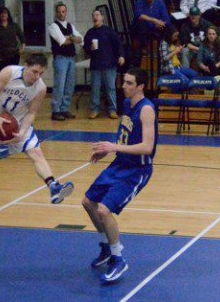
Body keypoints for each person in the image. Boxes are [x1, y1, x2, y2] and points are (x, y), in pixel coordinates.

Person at [0, 53, 74, 216]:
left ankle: (53, 186)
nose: (37, 76)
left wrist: (22, 132)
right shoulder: (10, 72)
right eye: (34, 71)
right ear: (25, 65)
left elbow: (32, 113)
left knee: (36, 153)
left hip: (17, 121)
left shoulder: (40, 88)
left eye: (41, 73)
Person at [82, 68, 157, 284]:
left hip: (137, 171)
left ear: (140, 87)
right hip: (120, 164)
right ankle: (106, 246)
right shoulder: (126, 104)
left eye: (129, 83)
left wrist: (114, 146)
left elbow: (147, 147)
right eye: (124, 81)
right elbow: (124, 135)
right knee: (88, 202)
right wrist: (108, 150)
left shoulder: (146, 110)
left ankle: (118, 258)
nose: (123, 85)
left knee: (104, 210)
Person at [83, 9, 125, 119]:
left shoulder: (109, 31)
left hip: (109, 64)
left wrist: (121, 55)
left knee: (110, 88)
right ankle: (94, 109)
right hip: (96, 65)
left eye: (97, 15)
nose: (95, 17)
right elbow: (86, 49)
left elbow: (118, 44)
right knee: (95, 88)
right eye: (93, 15)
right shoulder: (90, 33)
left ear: (102, 18)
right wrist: (90, 48)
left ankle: (112, 110)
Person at [48, 2, 83, 121]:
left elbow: (80, 38)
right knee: (60, 85)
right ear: (56, 12)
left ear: (66, 12)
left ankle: (64, 108)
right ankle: (56, 110)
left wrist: (71, 38)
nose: (61, 13)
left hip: (71, 58)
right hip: (60, 58)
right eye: (59, 11)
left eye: (63, 11)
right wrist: (72, 38)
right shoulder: (53, 26)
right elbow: (62, 41)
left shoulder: (70, 25)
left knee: (69, 85)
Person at [131, 0, 170, 67]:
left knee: (168, 26)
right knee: (141, 23)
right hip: (142, 30)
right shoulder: (139, 3)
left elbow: (166, 19)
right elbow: (139, 15)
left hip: (156, 29)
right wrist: (154, 20)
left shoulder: (160, 3)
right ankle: (143, 48)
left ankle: (165, 51)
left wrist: (160, 23)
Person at [0, 6, 26, 73]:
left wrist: (23, 48)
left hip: (14, 55)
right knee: (2, 76)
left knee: (12, 75)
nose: (3, 15)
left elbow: (22, 36)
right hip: (1, 56)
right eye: (1, 13)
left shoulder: (14, 25)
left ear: (8, 15)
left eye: (5, 13)